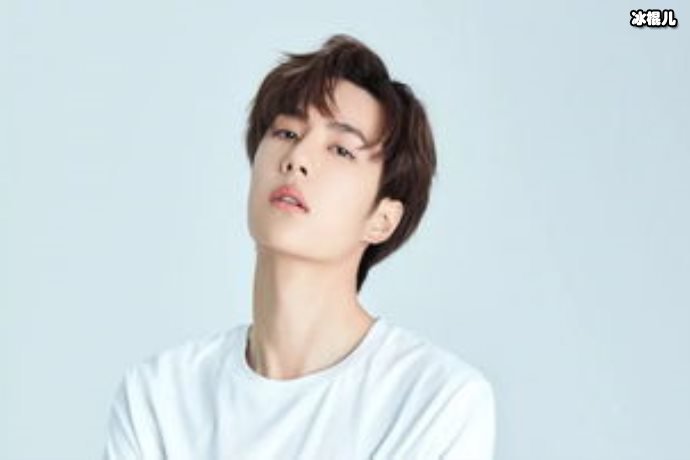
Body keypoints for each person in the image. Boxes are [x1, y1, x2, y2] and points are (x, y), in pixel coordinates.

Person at [103, 34, 495, 459]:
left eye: (341, 150)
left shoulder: (434, 400)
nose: (297, 158)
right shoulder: (160, 396)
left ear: (382, 219)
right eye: (287, 132)